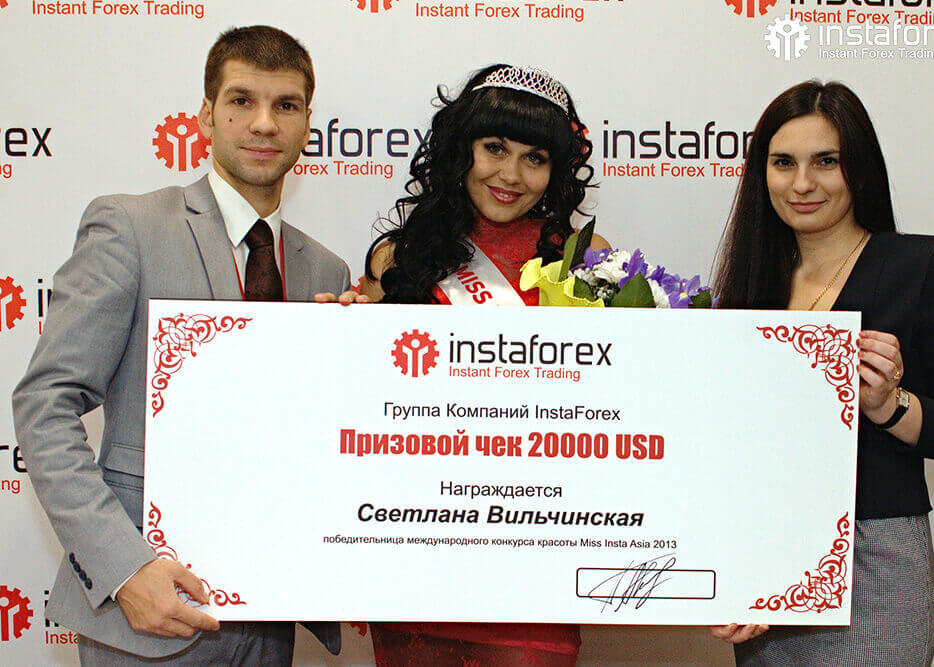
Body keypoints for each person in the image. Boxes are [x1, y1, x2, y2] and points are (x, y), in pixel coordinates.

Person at [11, 25, 349, 665]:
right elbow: (45, 405)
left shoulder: (325, 271)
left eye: (285, 105)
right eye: (242, 100)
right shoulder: (130, 227)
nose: (264, 123)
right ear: (205, 115)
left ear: (308, 124)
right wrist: (124, 569)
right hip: (147, 617)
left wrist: (358, 364)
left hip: (273, 620)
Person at [323, 64, 609, 664]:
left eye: (535, 158)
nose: (511, 175)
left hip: (537, 559)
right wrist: (335, 336)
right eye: (494, 148)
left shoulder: (587, 258)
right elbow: (366, 406)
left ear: (557, 170)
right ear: (461, 149)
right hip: (419, 553)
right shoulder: (398, 256)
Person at [710, 80, 934, 664]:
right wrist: (731, 562)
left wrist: (891, 406)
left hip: (875, 566)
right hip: (767, 566)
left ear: (859, 169)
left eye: (826, 161)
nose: (802, 184)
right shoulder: (747, 288)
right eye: (783, 163)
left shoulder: (921, 264)